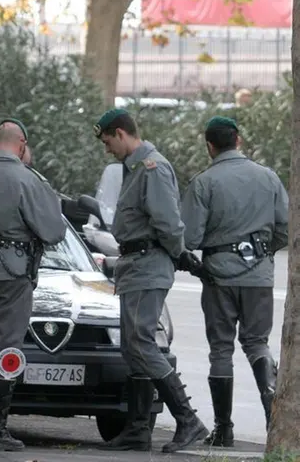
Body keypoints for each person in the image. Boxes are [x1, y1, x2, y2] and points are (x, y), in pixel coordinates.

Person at [92, 108, 207, 453]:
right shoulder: (134, 169)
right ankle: (138, 429)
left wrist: (179, 252)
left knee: (141, 343)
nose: (107, 149)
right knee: (132, 346)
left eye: (108, 141)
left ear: (121, 133)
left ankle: (188, 420)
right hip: (135, 264)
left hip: (148, 263)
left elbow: (168, 223)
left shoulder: (151, 168)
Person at [180, 116, 288, 446]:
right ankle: (273, 416)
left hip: (218, 278)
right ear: (238, 140)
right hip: (259, 277)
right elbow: (284, 228)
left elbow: (192, 236)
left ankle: (223, 429)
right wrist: (263, 251)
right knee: (257, 343)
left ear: (209, 146)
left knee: (221, 350)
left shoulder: (203, 183)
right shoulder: (268, 178)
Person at [0, 118, 66, 451]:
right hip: (12, 273)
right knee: (6, 348)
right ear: (21, 145)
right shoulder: (27, 179)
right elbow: (53, 230)